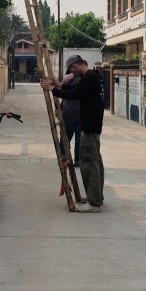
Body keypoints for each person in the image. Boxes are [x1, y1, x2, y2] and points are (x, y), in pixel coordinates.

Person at [41, 55, 104, 212]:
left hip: (90, 128)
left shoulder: (90, 78)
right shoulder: (91, 76)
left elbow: (75, 94)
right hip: (92, 127)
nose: (73, 74)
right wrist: (59, 85)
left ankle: (94, 203)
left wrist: (53, 90)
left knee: (89, 164)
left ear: (76, 67)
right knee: (95, 162)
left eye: (72, 71)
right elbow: (75, 88)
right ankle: (96, 197)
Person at [58, 62, 85, 166]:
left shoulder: (66, 78)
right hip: (80, 114)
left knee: (65, 137)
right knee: (79, 139)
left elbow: (63, 94)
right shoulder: (84, 80)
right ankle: (77, 160)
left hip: (68, 113)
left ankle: (64, 157)